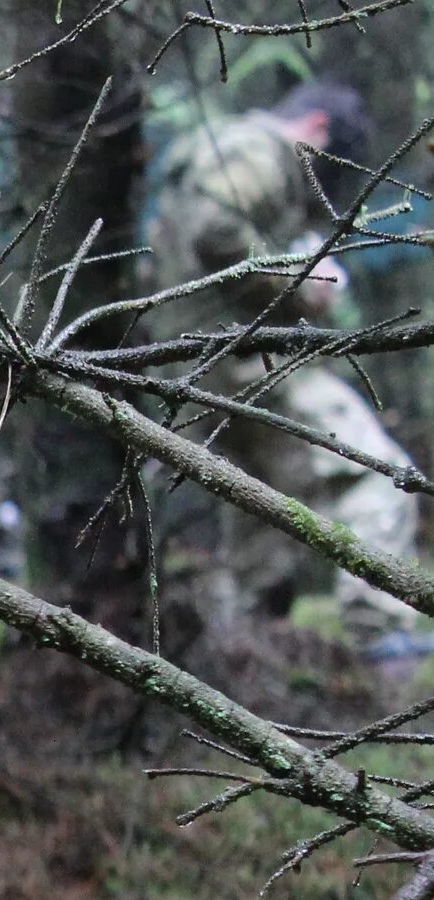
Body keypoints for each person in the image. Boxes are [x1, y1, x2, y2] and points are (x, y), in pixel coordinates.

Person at [149, 80, 425, 653]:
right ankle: (381, 639)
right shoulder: (257, 151)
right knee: (380, 478)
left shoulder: (220, 147)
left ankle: (255, 659)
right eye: (329, 169)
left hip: (200, 366)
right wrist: (302, 280)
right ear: (318, 129)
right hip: (249, 363)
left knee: (262, 510)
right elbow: (216, 229)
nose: (322, 188)